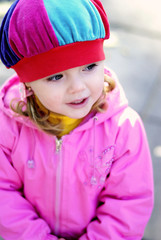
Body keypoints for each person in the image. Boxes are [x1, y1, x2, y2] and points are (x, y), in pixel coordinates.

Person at [0, 0, 153, 239]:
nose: (78, 87)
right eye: (56, 76)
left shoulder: (124, 130)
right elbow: (3, 195)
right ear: (27, 82)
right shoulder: (8, 125)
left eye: (90, 66)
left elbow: (128, 205)